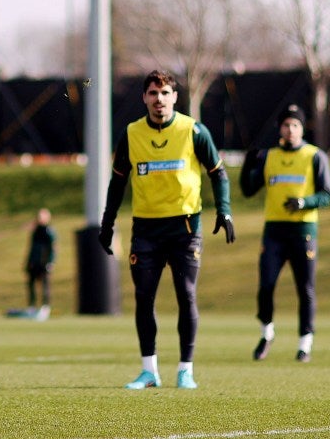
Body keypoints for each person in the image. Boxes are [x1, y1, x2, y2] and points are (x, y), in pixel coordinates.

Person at [98, 70, 236, 390]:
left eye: (164, 93)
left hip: (185, 227)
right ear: (144, 98)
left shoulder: (193, 131)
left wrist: (225, 212)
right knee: (144, 298)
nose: (158, 99)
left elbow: (219, 173)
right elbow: (118, 182)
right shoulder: (131, 134)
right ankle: (149, 372)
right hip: (145, 228)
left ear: (175, 97)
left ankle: (185, 370)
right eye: (152, 93)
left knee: (186, 295)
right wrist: (108, 222)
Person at [239, 104, 330, 363]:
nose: (290, 129)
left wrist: (304, 203)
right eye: (286, 125)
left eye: (295, 125)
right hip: (274, 232)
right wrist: (247, 167)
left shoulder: (315, 156)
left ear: (302, 128)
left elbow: (327, 195)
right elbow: (248, 190)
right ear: (279, 128)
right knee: (266, 286)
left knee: (305, 289)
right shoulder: (270, 157)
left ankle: (305, 343)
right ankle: (266, 333)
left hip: (303, 232)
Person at [25, 207, 56, 320]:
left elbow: (53, 248)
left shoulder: (49, 231)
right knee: (31, 285)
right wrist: (29, 261)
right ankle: (32, 307)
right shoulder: (35, 231)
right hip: (34, 262)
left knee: (45, 286)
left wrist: (50, 262)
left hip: (44, 263)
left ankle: (45, 307)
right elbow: (32, 248)